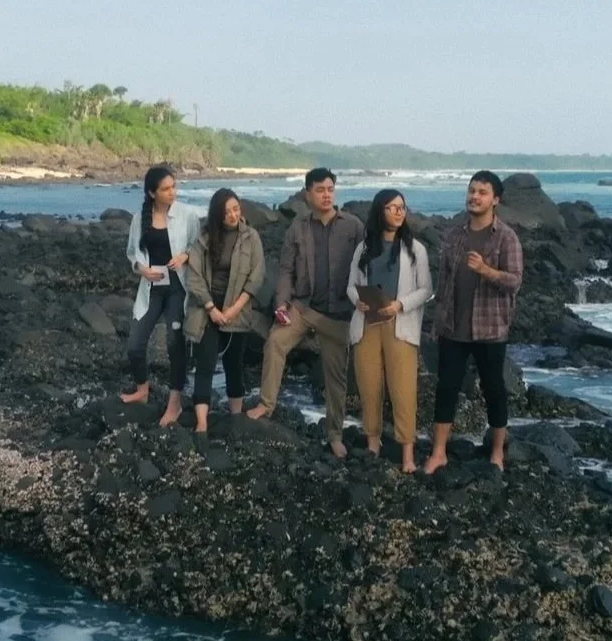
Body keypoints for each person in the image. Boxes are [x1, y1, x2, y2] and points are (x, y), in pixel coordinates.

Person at [248, 167, 365, 459]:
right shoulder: (297, 228)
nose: (326, 195)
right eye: (320, 190)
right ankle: (266, 404)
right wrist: (280, 303)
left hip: (338, 312)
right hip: (302, 306)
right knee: (275, 342)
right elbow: (286, 270)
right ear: (307, 193)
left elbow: (367, 264)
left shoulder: (352, 227)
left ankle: (335, 435)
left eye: (330, 189)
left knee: (335, 377)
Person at [423, 170, 523, 474]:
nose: (474, 197)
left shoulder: (506, 237)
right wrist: (436, 324)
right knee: (447, 389)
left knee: (494, 390)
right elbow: (443, 284)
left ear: (495, 200)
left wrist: (486, 270)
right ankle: (438, 452)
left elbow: (515, 281)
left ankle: (496, 453)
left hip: (490, 329)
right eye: (471, 191)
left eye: (481, 192)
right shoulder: (455, 235)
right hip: (454, 327)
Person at [346, 189, 433, 472]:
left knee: (403, 389)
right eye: (392, 207)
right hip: (368, 324)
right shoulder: (364, 248)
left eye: (402, 207)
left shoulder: (414, 248)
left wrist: (400, 305)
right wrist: (356, 300)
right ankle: (373, 444)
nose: (399, 212)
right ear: (379, 211)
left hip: (400, 326)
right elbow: (350, 284)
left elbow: (426, 290)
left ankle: (407, 454)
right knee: (369, 387)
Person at [180, 188, 267, 429]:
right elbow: (194, 277)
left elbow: (256, 277)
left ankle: (236, 418)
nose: (232, 215)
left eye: (236, 209)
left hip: (236, 310)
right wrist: (211, 308)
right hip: (207, 310)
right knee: (205, 363)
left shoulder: (251, 237)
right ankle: (201, 424)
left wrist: (232, 310)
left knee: (233, 364)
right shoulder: (204, 239)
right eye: (226, 211)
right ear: (217, 214)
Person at [121, 164, 203, 405]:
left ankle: (175, 401)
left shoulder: (187, 215)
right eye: (166, 189)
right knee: (135, 344)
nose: (172, 192)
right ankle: (142, 389)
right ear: (152, 193)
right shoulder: (139, 219)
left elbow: (198, 246)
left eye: (173, 187)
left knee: (173, 343)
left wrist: (185, 256)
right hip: (151, 289)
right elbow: (132, 254)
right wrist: (141, 269)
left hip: (178, 288)